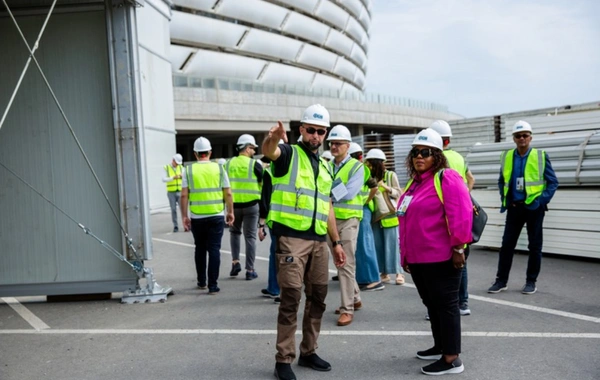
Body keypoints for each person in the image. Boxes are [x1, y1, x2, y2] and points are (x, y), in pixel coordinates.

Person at [263, 104, 346, 380]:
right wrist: (273, 137)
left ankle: (309, 351)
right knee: (290, 298)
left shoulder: (324, 166)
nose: (316, 136)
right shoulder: (289, 154)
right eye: (311, 130)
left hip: (319, 242)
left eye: (321, 132)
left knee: (318, 298)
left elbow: (328, 206)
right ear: (302, 130)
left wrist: (336, 242)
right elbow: (269, 151)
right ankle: (283, 359)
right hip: (291, 240)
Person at [399, 128, 473, 375]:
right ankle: (440, 346)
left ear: (437, 155)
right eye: (415, 152)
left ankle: (452, 359)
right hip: (420, 259)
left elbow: (461, 214)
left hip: (442, 257)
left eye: (426, 152)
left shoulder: (447, 178)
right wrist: (405, 254)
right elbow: (406, 221)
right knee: (432, 305)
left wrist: (459, 248)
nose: (419, 156)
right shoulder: (414, 184)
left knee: (446, 305)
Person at [488, 120, 558, 295]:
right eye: (518, 136)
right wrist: (506, 199)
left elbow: (553, 182)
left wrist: (541, 201)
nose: (522, 138)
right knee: (506, 246)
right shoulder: (507, 156)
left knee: (534, 247)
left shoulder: (540, 156)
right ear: (514, 138)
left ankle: (531, 282)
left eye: (525, 135)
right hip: (514, 207)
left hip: (534, 208)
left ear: (530, 137)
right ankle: (501, 281)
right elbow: (501, 181)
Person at [429, 120, 475, 316]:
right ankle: (463, 303)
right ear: (448, 140)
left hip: (440, 214)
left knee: (439, 262)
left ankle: (440, 305)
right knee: (460, 257)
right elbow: (471, 179)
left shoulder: (435, 159)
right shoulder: (459, 157)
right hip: (462, 214)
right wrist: (464, 196)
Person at [180, 137, 234, 295]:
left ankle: (201, 281)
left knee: (200, 249)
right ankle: (213, 285)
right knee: (214, 249)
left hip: (197, 217)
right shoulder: (219, 169)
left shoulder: (188, 170)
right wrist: (230, 212)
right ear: (210, 152)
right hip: (216, 214)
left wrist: (184, 216)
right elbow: (228, 193)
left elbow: (184, 196)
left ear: (195, 153)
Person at [326, 126, 365, 327]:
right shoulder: (327, 166)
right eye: (332, 143)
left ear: (347, 146)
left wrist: (328, 195)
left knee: (345, 262)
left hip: (349, 218)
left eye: (338, 143)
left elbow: (349, 193)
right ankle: (354, 298)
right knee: (339, 261)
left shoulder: (358, 167)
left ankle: (347, 309)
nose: (334, 146)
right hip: (330, 219)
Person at [225, 134, 263, 280]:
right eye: (253, 149)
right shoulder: (255, 165)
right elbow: (263, 184)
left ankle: (235, 262)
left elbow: (224, 186)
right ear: (247, 148)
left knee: (234, 234)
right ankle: (250, 270)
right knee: (250, 237)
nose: (254, 152)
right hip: (251, 206)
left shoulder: (227, 164)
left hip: (233, 207)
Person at [365, 149, 405, 285]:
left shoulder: (390, 175)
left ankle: (399, 273)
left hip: (390, 215)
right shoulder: (368, 176)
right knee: (378, 246)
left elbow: (399, 193)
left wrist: (386, 187)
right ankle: (384, 273)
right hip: (375, 216)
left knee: (393, 245)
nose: (368, 165)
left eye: (370, 163)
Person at [348, 142, 382, 292]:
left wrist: (364, 201)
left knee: (365, 243)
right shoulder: (355, 168)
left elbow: (374, 187)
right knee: (361, 246)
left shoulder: (360, 169)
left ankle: (373, 279)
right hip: (358, 210)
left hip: (363, 210)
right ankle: (363, 278)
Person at [258, 142, 283, 303]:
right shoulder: (294, 171)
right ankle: (275, 287)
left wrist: (261, 224)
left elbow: (265, 200)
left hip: (276, 220)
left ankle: (275, 288)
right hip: (293, 220)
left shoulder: (269, 173)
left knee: (277, 255)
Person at [163, 153, 183, 232]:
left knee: (183, 209)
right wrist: (173, 178)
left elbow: (186, 177)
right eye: (176, 163)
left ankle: (186, 225)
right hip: (171, 192)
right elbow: (163, 179)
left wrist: (182, 176)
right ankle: (175, 226)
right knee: (173, 210)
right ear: (173, 160)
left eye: (179, 163)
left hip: (180, 191)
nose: (177, 164)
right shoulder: (166, 168)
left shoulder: (181, 168)